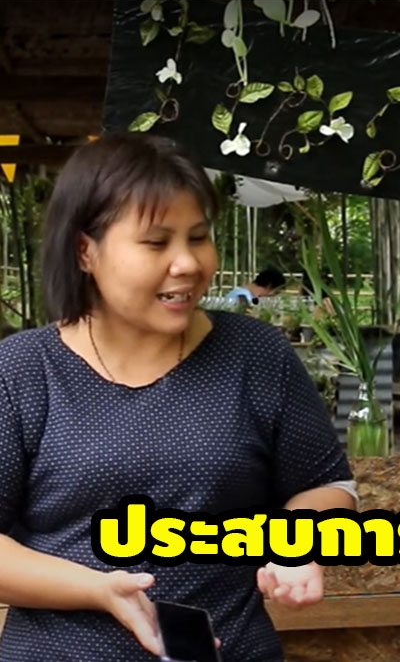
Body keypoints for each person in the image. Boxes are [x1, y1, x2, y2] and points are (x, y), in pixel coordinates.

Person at [0, 134, 356, 662]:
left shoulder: (256, 354)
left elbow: (327, 486)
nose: (187, 263)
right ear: (85, 251)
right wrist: (100, 590)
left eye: (198, 237)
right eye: (156, 242)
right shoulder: (21, 370)